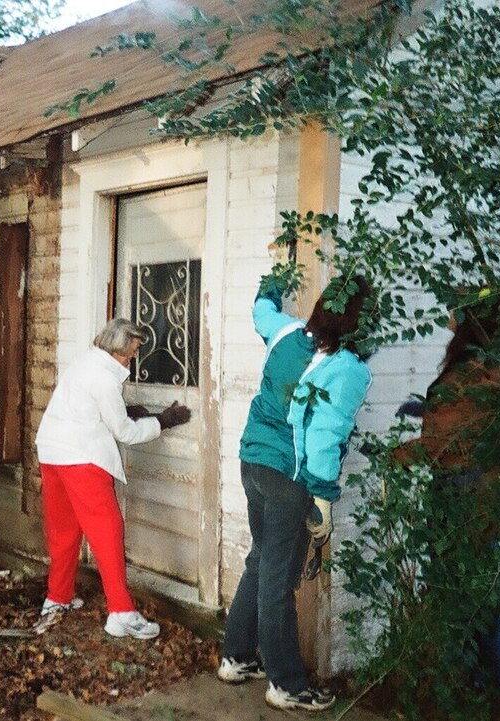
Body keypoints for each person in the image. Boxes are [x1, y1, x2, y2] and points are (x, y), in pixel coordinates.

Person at [218, 273, 373, 712]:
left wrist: (273, 281)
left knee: (261, 559)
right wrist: (322, 496)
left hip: (253, 461)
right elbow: (325, 435)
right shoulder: (346, 368)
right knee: (278, 578)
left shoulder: (286, 331)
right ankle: (287, 684)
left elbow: (260, 310)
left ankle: (237, 657)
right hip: (288, 476)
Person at [34, 318, 191, 640]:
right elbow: (124, 433)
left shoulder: (84, 362)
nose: (133, 358)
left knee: (63, 531)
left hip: (52, 453)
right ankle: (121, 613)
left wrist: (128, 409)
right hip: (81, 459)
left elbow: (88, 408)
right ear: (118, 350)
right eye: (132, 353)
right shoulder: (104, 377)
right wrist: (165, 421)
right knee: (107, 534)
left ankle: (57, 598)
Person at [393, 306, 500, 683]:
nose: (448, 322)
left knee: (456, 591)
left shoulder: (469, 373)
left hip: (460, 493)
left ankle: (468, 684)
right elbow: (471, 423)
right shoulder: (489, 369)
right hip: (484, 493)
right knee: (482, 589)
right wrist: (427, 411)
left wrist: (394, 455)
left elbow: (445, 445)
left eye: (455, 315)